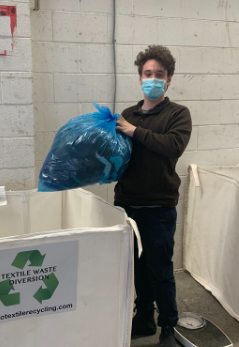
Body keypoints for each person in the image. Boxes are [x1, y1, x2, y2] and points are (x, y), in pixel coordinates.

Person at [115, 45, 192, 347]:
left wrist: (134, 131)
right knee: (137, 270)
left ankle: (169, 328)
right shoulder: (127, 114)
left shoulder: (177, 114)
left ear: (169, 79)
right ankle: (144, 317)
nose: (153, 79)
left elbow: (172, 145)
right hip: (126, 205)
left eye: (159, 74)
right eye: (148, 74)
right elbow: (116, 155)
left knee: (161, 271)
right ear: (139, 78)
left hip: (158, 207)